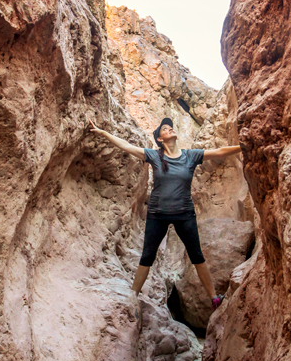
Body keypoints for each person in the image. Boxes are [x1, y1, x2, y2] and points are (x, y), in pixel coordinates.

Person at [87, 115, 243, 305]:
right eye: (165, 129)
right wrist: (103, 132)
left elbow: (220, 151)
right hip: (157, 215)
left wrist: (244, 146)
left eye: (170, 127)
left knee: (197, 256)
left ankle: (214, 298)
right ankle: (131, 298)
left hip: (184, 214)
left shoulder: (190, 155)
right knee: (147, 257)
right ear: (160, 139)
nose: (169, 129)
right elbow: (126, 146)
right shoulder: (155, 156)